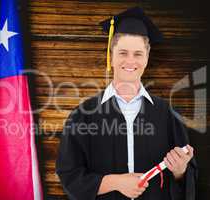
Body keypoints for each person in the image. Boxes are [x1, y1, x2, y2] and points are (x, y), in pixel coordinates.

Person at [56, 7, 197, 200]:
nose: (130, 61)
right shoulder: (84, 114)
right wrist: (116, 182)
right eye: (123, 52)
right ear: (111, 55)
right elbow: (70, 175)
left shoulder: (167, 114)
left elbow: (185, 179)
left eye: (138, 54)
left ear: (147, 58)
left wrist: (179, 170)